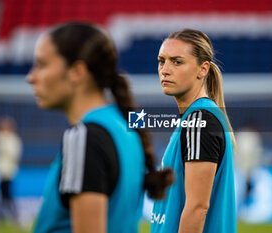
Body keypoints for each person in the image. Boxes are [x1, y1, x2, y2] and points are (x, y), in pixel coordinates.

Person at [26, 22, 173, 233]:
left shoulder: (83, 137)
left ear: (77, 71)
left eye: (41, 64)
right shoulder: (124, 127)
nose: (31, 77)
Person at [150, 29, 236, 233]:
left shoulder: (200, 120)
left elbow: (197, 208)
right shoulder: (194, 118)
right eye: (162, 61)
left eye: (177, 62)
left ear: (203, 69)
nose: (165, 69)